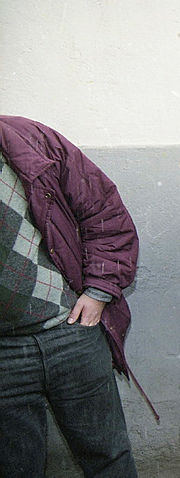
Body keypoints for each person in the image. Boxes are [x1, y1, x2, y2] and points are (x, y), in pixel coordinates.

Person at [0, 115, 139, 476]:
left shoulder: (30, 139)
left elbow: (104, 212)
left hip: (70, 331)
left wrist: (98, 292)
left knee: (108, 458)